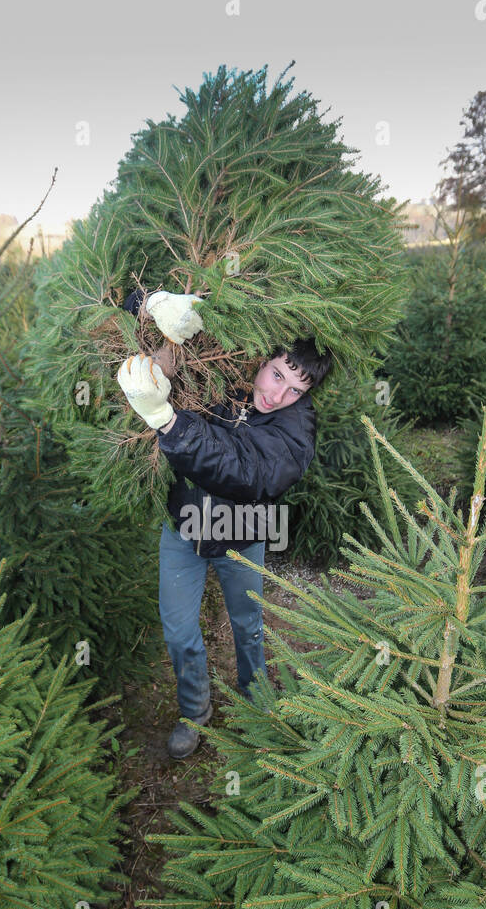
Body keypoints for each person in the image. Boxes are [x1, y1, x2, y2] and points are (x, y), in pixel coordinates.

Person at [117, 286, 333, 758]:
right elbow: (132, 313)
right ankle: (195, 711)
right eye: (276, 374)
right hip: (184, 528)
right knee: (178, 631)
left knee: (248, 623)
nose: (277, 395)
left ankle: (256, 705)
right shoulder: (219, 365)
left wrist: (169, 423)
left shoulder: (296, 425)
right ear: (260, 356)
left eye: (295, 389)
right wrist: (156, 303)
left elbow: (250, 471)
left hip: (244, 535)